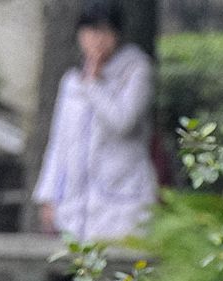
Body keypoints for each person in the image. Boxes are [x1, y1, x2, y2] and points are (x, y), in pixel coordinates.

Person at [33, 1, 157, 242]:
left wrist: (94, 84)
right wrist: (48, 196)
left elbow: (123, 122)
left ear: (117, 35)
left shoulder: (135, 70)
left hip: (122, 201)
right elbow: (59, 142)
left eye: (104, 31)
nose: (96, 39)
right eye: (90, 31)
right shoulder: (71, 82)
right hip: (75, 204)